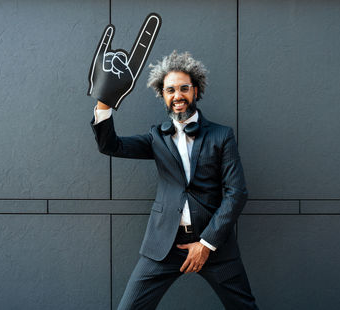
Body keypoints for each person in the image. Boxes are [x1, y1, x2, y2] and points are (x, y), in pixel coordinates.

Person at [91, 51, 258, 309]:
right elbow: (111, 146)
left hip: (214, 244)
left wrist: (207, 243)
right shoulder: (156, 137)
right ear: (163, 95)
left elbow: (237, 193)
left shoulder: (222, 136)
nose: (177, 95)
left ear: (196, 90)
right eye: (170, 90)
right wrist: (105, 100)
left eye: (183, 88)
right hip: (164, 244)